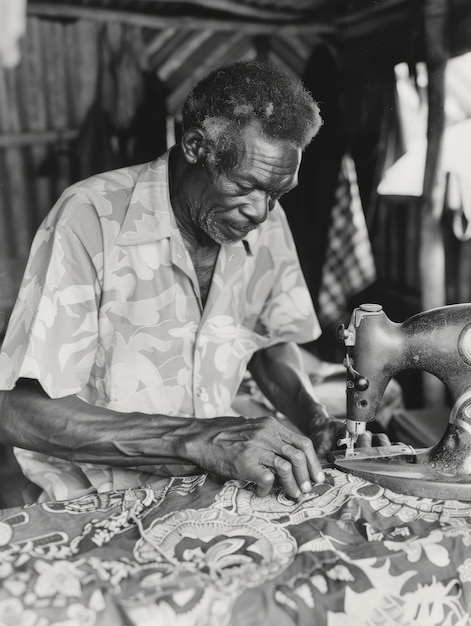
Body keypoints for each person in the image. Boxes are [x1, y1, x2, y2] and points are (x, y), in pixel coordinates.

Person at [0, 61, 388, 504]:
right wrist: (195, 438)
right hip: (91, 498)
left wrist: (316, 420)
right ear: (195, 146)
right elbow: (17, 412)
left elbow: (267, 343)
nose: (260, 212)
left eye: (277, 193)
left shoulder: (267, 223)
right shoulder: (91, 217)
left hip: (210, 491)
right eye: (246, 186)